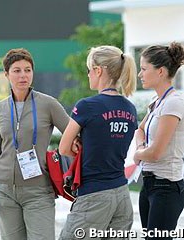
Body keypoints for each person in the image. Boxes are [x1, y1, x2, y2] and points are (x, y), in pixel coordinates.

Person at [0, 48, 69, 240]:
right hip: (5, 192)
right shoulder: (0, 109)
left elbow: (73, 135)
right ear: (6, 74)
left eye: (28, 70)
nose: (23, 75)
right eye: (17, 70)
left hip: (38, 191)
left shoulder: (49, 104)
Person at [58, 45, 138, 240]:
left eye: (89, 70)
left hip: (94, 194)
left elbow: (63, 148)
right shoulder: (130, 108)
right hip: (121, 194)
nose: (88, 75)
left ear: (98, 70)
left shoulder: (87, 106)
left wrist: (79, 145)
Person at [133, 42, 184, 239]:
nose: (140, 74)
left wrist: (139, 154)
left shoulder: (173, 103)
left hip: (167, 187)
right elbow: (140, 130)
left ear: (160, 71)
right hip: (149, 184)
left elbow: (156, 153)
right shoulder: (156, 102)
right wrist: (141, 148)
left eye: (144, 69)